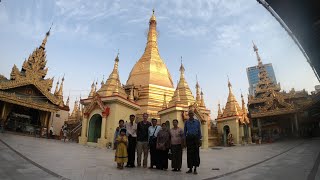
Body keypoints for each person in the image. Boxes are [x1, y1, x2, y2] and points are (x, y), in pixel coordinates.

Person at [184, 109, 201, 175]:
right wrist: (185, 141)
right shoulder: (186, 122)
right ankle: (190, 168)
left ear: (193, 114)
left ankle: (195, 169)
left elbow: (199, 131)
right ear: (188, 115)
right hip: (189, 139)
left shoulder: (197, 122)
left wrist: (200, 140)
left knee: (196, 154)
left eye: (192, 113)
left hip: (196, 139)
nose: (191, 114)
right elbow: (185, 132)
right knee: (189, 154)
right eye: (189, 113)